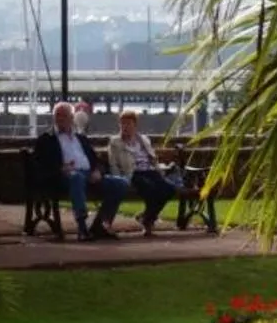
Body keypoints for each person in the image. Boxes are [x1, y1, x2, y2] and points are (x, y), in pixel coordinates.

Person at [31, 100, 128, 241]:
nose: (60, 119)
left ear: (72, 118)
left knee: (121, 184)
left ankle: (100, 225)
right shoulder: (46, 139)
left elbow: (96, 160)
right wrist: (60, 168)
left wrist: (97, 171)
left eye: (64, 115)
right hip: (64, 178)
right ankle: (82, 227)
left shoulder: (81, 138)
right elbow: (40, 165)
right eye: (58, 115)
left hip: (89, 175)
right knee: (76, 177)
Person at [105, 111, 181, 237]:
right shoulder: (115, 142)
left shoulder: (144, 139)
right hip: (132, 173)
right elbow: (113, 163)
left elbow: (152, 158)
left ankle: (146, 217)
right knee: (149, 189)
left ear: (135, 125)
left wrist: (159, 170)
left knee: (169, 189)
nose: (125, 127)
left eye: (128, 124)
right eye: (122, 124)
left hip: (150, 171)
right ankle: (148, 220)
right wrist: (118, 180)